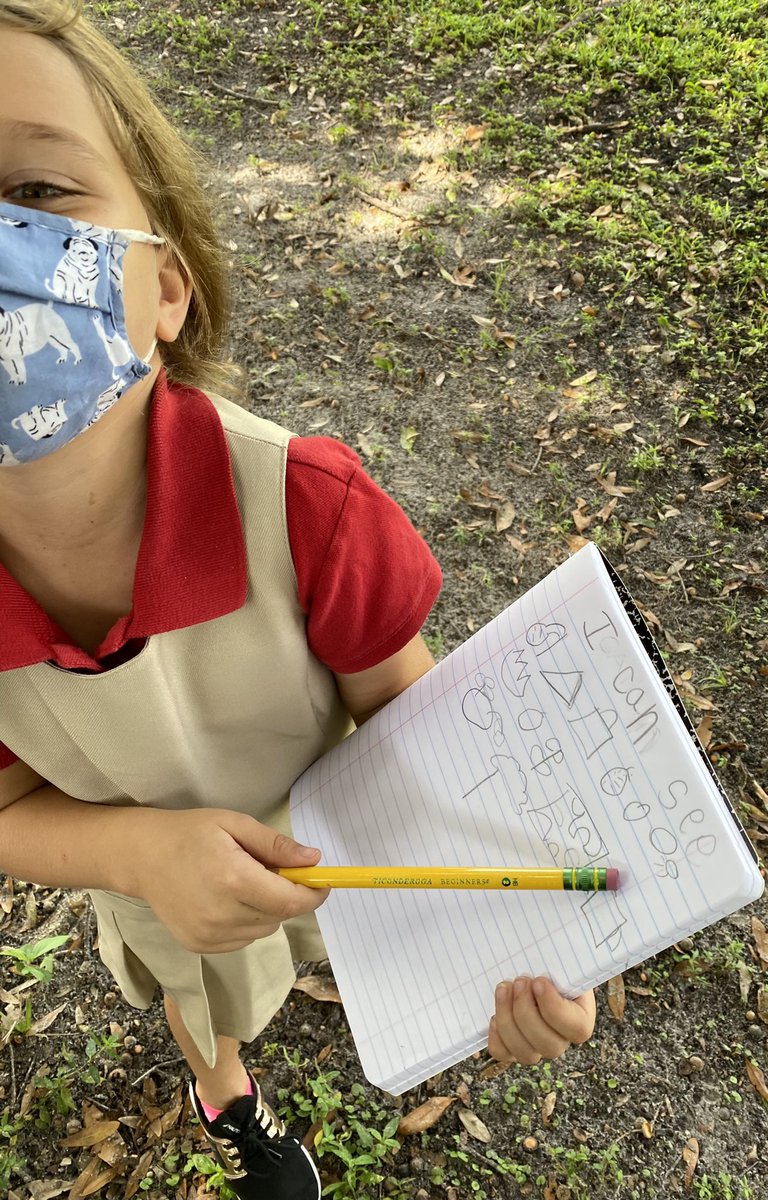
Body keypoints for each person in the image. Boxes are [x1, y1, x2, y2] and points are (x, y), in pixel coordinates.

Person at [0, 3, 597, 1198]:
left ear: (164, 288)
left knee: (320, 938)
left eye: (37, 187)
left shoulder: (304, 508)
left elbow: (417, 729)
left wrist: (510, 933)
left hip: (343, 846)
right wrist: (132, 848)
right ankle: (225, 1091)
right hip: (144, 879)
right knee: (197, 984)